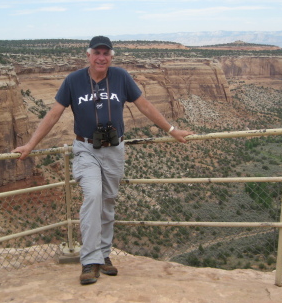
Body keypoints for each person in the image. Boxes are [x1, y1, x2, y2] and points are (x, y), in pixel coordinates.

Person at [12, 36, 194, 285]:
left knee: (107, 203)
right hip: (86, 148)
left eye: (106, 54)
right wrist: (31, 144)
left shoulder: (121, 77)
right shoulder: (73, 81)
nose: (101, 58)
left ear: (111, 56)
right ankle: (89, 261)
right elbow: (53, 114)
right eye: (97, 53)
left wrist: (172, 130)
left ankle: (104, 255)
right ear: (88, 55)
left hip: (114, 150)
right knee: (94, 196)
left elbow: (145, 106)